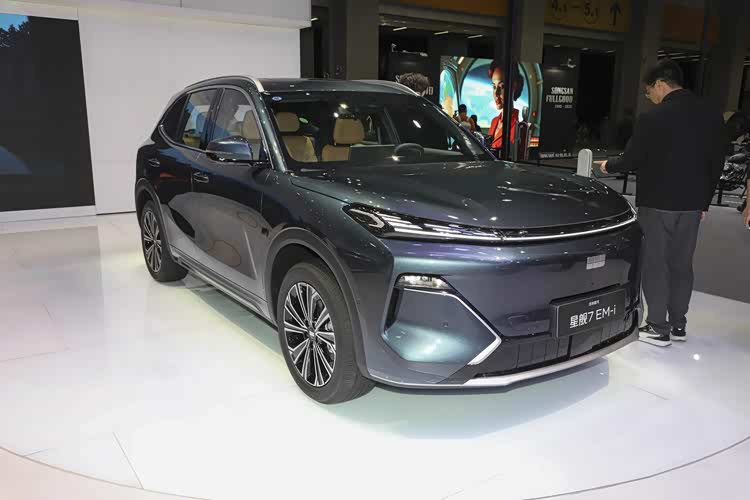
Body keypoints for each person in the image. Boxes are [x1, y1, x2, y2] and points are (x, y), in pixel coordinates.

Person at [596, 59, 724, 347]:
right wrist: (704, 203)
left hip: (657, 202)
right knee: (682, 264)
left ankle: (657, 326)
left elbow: (632, 158)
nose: (649, 96)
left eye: (648, 91)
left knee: (656, 264)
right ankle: (678, 325)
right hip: (692, 205)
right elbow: (717, 162)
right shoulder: (710, 115)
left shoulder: (653, 118)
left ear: (660, 84)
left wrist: (607, 166)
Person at [487, 60, 523, 151]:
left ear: (514, 87)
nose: (496, 93)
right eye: (494, 87)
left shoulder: (518, 127)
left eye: (502, 86)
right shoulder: (494, 121)